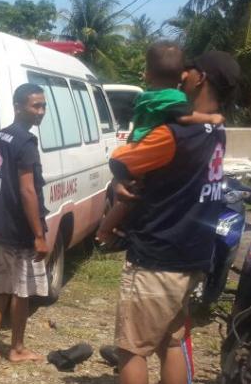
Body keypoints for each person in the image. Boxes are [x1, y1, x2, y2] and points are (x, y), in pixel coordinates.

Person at [74, 51, 240, 384]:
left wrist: (122, 186)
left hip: (158, 255)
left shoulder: (171, 134)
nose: (182, 76)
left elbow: (123, 160)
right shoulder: (215, 132)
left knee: (132, 349)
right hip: (193, 255)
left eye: (190, 71)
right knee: (171, 342)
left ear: (201, 78)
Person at [96, 41, 223, 248]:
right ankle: (106, 230)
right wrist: (211, 119)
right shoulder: (174, 98)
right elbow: (185, 117)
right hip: (143, 150)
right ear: (182, 76)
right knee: (131, 198)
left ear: (146, 75)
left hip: (135, 143)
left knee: (127, 198)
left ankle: (104, 229)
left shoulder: (146, 96)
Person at [0, 83, 49, 364]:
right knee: (22, 291)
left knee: (0, 284)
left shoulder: (1, 135)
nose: (41, 112)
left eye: (43, 106)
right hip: (19, 229)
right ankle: (17, 347)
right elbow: (28, 190)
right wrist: (39, 234)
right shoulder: (25, 142)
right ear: (18, 106)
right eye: (35, 106)